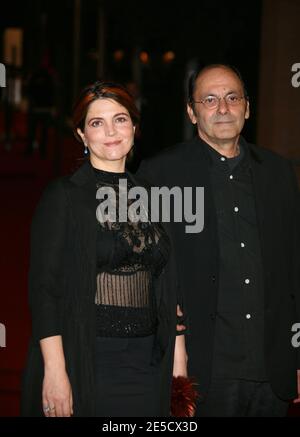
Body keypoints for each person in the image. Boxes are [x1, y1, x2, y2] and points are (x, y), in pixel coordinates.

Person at [137, 64, 300, 417]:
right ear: (191, 112)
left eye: (232, 98)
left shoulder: (279, 173)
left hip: (272, 372)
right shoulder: (161, 175)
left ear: (247, 107)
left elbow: (294, 267)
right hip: (203, 372)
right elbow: (146, 275)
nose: (223, 108)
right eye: (209, 100)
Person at [21, 80, 189, 417]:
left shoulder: (154, 195)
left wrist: (179, 359)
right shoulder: (64, 197)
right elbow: (44, 290)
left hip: (148, 361)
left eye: (120, 119)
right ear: (82, 135)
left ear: (134, 127)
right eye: (97, 122)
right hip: (88, 358)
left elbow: (169, 282)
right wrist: (55, 372)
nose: (111, 131)